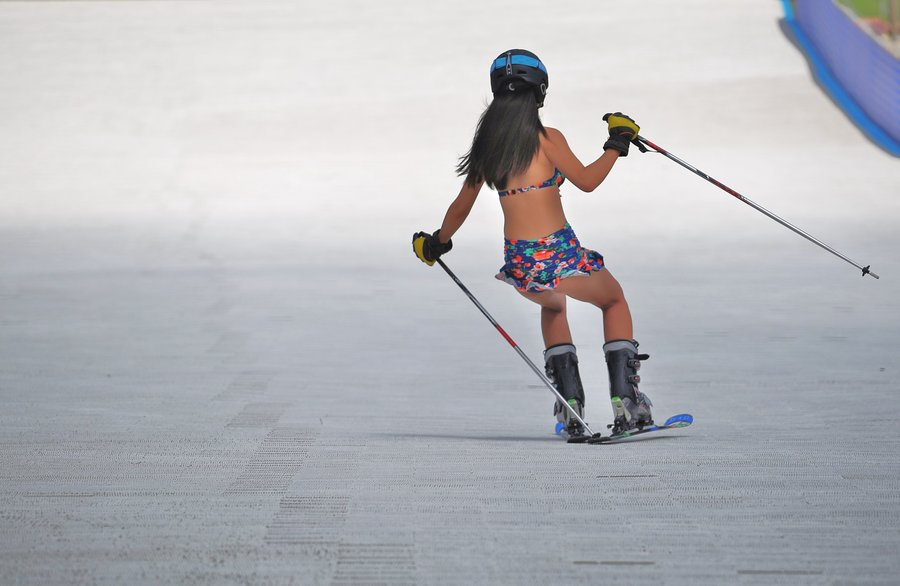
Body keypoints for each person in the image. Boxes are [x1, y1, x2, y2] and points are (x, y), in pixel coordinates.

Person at [412, 49, 652, 438]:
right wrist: (617, 143)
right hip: (560, 255)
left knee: (553, 305)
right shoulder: (547, 139)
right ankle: (628, 404)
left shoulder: (489, 150)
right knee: (613, 300)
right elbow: (588, 181)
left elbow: (461, 206)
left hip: (521, 263)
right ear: (540, 93)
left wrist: (437, 243)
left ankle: (570, 405)